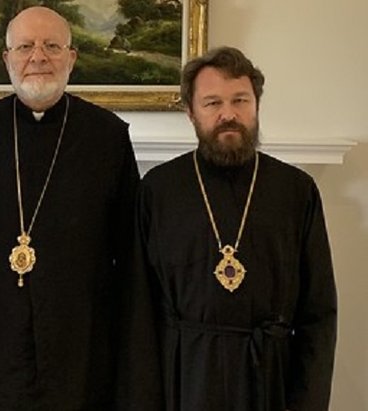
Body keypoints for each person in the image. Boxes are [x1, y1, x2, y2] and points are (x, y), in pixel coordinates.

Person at [0, 6, 153, 410]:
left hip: (80, 353)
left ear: (72, 58)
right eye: (25, 46)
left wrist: (128, 351)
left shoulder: (107, 136)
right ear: (7, 58)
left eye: (51, 46)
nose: (38, 57)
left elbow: (130, 256)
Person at [136, 46, 337, 410]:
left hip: (271, 379)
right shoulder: (159, 189)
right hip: (184, 379)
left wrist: (308, 402)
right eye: (212, 103)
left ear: (256, 105)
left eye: (240, 100)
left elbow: (318, 314)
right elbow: (140, 308)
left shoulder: (296, 190)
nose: (229, 114)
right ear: (190, 112)